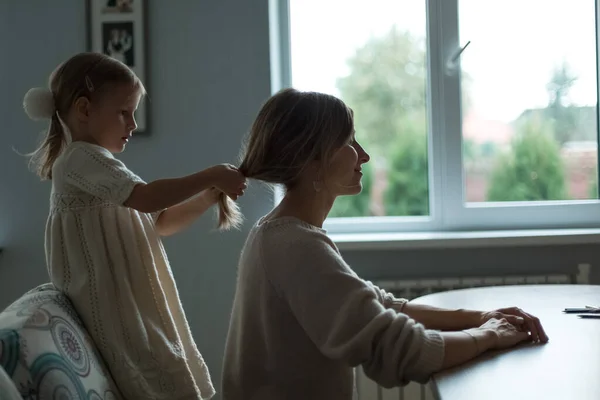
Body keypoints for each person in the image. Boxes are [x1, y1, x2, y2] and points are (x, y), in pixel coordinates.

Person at [219, 88, 549, 400]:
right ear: (311, 162)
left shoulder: (282, 235)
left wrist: (482, 316)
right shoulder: (294, 246)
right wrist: (490, 336)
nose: (364, 155)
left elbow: (381, 306)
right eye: (349, 142)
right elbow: (401, 349)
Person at [22, 52, 246, 399]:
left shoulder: (102, 165)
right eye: (124, 112)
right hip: (115, 307)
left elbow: (160, 222)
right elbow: (148, 198)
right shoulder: (80, 158)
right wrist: (210, 174)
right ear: (84, 110)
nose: (133, 124)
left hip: (131, 302)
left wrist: (206, 196)